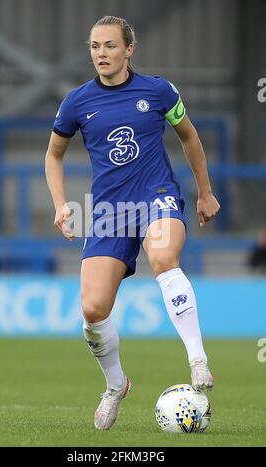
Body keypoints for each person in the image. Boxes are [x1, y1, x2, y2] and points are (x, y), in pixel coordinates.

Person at [45, 15, 220, 431]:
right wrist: (60, 204)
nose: (100, 54)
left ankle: (197, 358)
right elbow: (53, 154)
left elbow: (189, 136)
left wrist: (205, 191)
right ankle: (115, 385)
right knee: (92, 308)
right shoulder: (76, 102)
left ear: (129, 49)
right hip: (107, 212)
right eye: (94, 47)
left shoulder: (159, 90)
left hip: (156, 196)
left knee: (162, 256)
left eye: (109, 45)